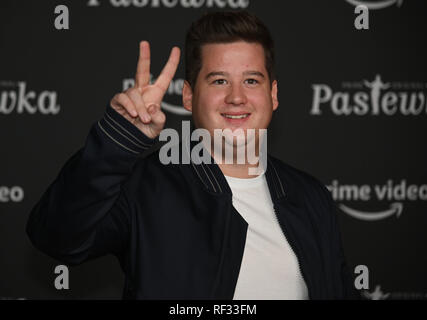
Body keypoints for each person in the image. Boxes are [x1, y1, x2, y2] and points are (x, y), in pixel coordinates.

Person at [26, 11, 357, 300]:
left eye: (251, 80)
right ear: (188, 96)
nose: (237, 97)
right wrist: (117, 141)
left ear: (272, 95)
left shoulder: (311, 196)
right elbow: (56, 238)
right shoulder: (145, 188)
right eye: (219, 80)